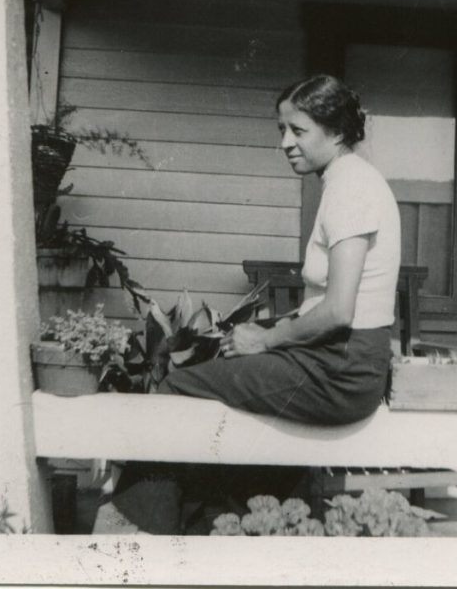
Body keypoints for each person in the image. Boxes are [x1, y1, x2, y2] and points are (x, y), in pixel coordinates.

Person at [106, 75, 401, 532]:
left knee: (178, 384)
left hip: (341, 369)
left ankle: (146, 538)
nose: (285, 143)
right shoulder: (350, 180)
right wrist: (259, 331)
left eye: (298, 131)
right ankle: (223, 518)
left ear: (337, 131)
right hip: (339, 360)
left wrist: (266, 341)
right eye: (281, 130)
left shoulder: (351, 189)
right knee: (218, 369)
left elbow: (340, 309)